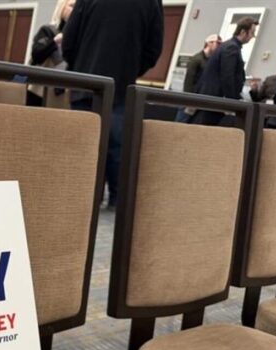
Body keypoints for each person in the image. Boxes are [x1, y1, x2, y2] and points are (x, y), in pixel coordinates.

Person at [62, 0, 163, 208]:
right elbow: (153, 49)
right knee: (117, 150)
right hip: (121, 85)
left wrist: (80, 65)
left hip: (86, 84)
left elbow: (68, 42)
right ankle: (116, 201)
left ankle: (82, 199)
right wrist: (131, 68)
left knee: (81, 149)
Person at [193, 17, 258, 126]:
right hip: (216, 98)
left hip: (214, 97)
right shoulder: (231, 47)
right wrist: (232, 101)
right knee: (206, 129)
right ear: (243, 32)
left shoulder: (229, 46)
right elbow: (227, 76)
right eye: (252, 32)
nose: (253, 36)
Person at [26, 0, 75, 107]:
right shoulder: (47, 30)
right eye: (71, 6)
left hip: (63, 96)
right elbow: (36, 55)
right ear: (61, 8)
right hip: (39, 93)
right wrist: (54, 42)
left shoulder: (76, 37)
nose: (74, 10)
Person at [175, 34, 221, 123]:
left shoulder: (211, 61)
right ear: (209, 43)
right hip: (190, 98)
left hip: (200, 98)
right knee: (181, 122)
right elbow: (189, 81)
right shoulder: (197, 59)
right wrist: (189, 99)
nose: (219, 46)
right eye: (218, 43)